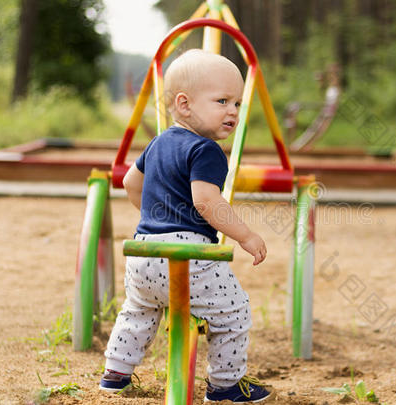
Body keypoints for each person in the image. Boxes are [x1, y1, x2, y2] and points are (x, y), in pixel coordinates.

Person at [99, 49, 274, 403]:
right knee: (234, 311)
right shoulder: (206, 150)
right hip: (188, 257)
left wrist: (154, 217)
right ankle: (225, 385)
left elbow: (131, 184)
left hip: (143, 251)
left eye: (238, 104)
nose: (232, 112)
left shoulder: (158, 143)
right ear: (184, 104)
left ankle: (116, 373)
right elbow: (207, 201)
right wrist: (246, 236)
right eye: (222, 100)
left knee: (138, 310)